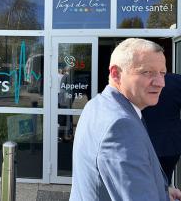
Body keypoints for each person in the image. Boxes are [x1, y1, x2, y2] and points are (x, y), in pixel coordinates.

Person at [69, 38, 181, 201]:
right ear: (116, 73)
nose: (160, 83)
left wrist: (164, 193)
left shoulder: (96, 104)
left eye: (162, 73)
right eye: (147, 72)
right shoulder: (121, 126)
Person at [142, 73, 181, 185]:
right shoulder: (176, 81)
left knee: (145, 183)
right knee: (164, 183)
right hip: (171, 144)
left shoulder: (140, 81)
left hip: (145, 141)